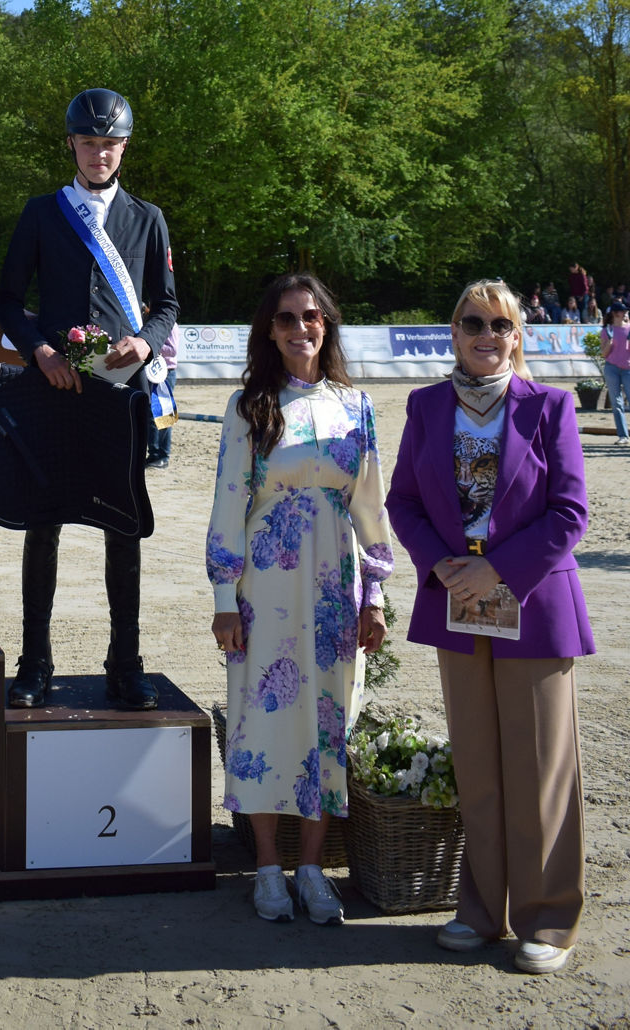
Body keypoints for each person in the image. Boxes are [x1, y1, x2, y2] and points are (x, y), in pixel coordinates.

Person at [386, 279, 593, 974]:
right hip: (457, 602)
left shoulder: (551, 407)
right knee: (477, 765)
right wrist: (443, 567)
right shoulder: (425, 406)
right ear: (454, 331)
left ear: (517, 335)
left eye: (500, 324)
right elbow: (403, 500)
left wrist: (497, 570)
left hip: (532, 605)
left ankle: (547, 919)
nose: (486, 334)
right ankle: (480, 909)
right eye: (473, 322)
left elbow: (569, 513)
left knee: (540, 769)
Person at [206, 273, 392, 925]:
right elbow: (229, 501)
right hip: (264, 586)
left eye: (310, 317)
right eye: (285, 318)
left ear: (327, 324)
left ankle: (311, 869)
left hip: (335, 588)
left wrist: (374, 595)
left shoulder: (356, 405)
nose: (300, 328)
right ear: (269, 331)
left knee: (326, 722)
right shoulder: (249, 406)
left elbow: (370, 507)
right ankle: (266, 868)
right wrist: (225, 596)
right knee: (260, 721)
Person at [0, 88, 179, 711]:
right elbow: (7, 298)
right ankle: (34, 661)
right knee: (40, 526)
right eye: (89, 142)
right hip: (53, 390)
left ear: (124, 146)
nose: (100, 153)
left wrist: (146, 345)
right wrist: (40, 352)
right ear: (71, 144)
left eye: (111, 143)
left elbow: (169, 305)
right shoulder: (42, 212)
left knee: (121, 527)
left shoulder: (147, 218)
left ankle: (125, 663)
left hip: (118, 396)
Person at [146, 322, 178, 468]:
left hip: (165, 372)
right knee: (150, 414)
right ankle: (153, 452)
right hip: (151, 371)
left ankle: (164, 454)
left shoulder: (170, 324)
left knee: (164, 413)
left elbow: (172, 350)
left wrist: (149, 345)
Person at [600, 301, 630, 444]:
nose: (624, 313)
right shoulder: (607, 331)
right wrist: (610, 341)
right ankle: (623, 435)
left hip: (628, 369)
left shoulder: (629, 329)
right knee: (616, 403)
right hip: (612, 368)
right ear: (614, 313)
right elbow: (604, 354)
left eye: (625, 311)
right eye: (621, 311)